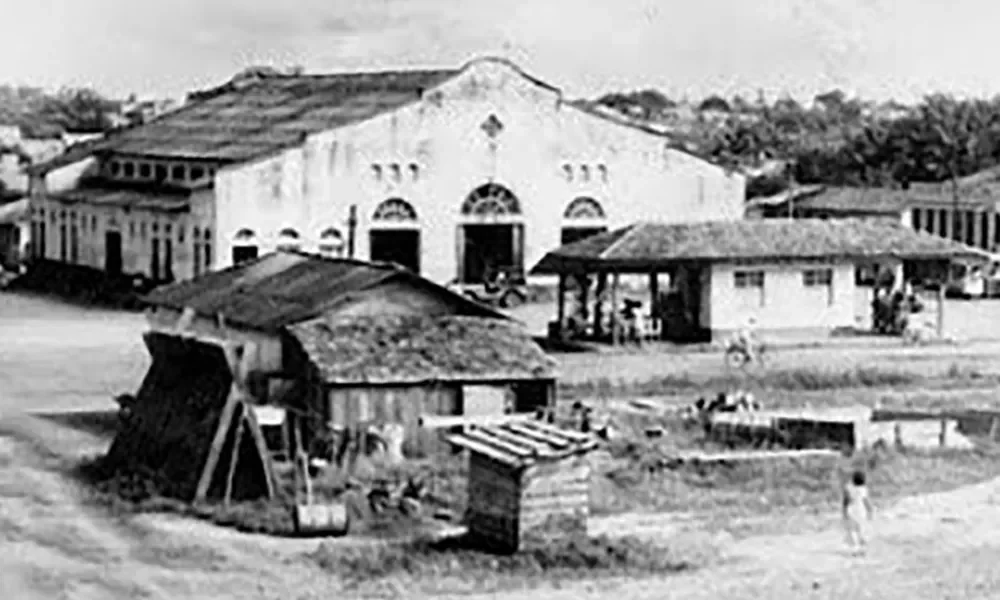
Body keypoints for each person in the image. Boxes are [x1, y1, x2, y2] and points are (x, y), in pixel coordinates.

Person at [843, 469, 874, 555]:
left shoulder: (849, 488)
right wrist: (870, 509)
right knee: (861, 529)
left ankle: (855, 547)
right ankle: (862, 548)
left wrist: (844, 510)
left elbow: (846, 500)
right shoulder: (863, 489)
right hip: (861, 511)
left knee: (852, 530)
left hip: (851, 511)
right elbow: (866, 500)